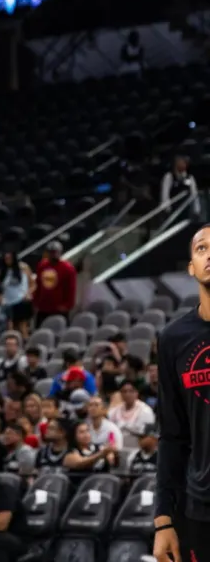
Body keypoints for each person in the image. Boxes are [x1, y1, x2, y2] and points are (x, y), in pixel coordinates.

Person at [156, 223, 210, 562]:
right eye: (202, 248)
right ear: (191, 266)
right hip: (201, 507)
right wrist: (164, 520)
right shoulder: (174, 338)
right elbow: (172, 436)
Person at [32, 241, 77, 326]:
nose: (54, 255)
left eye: (56, 252)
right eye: (51, 252)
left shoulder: (68, 268)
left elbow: (71, 288)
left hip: (59, 309)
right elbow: (38, 285)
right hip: (43, 307)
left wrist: (67, 305)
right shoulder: (42, 265)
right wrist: (36, 301)